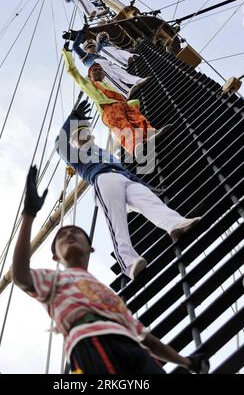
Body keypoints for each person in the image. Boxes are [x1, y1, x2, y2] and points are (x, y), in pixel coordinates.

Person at [12, 165, 209, 374]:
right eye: (61, 236)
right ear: (55, 257)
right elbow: (21, 276)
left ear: (91, 248)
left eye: (76, 232)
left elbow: (145, 338)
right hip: (89, 344)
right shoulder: (52, 279)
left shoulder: (106, 293)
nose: (69, 235)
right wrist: (29, 214)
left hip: (133, 350)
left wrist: (186, 363)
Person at [55, 100, 202, 279]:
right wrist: (73, 118)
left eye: (86, 133)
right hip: (102, 180)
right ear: (76, 142)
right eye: (79, 136)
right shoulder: (77, 157)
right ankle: (129, 263)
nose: (84, 137)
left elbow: (124, 171)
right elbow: (59, 144)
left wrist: (146, 186)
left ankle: (175, 225)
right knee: (117, 223)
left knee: (149, 200)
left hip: (124, 178)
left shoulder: (106, 153)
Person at [62, 44, 171, 156]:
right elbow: (72, 71)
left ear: (104, 74)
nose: (98, 71)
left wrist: (131, 104)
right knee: (123, 126)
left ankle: (151, 133)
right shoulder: (87, 84)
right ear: (89, 76)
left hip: (123, 105)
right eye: (94, 70)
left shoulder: (109, 85)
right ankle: (134, 146)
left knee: (139, 119)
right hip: (108, 109)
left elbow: (119, 97)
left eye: (100, 69)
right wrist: (67, 53)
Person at [73, 27, 147, 99]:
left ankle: (137, 80)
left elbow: (105, 46)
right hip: (97, 65)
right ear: (85, 50)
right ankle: (126, 92)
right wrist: (81, 33)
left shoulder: (99, 54)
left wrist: (101, 40)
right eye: (89, 47)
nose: (92, 48)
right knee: (112, 78)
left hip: (108, 62)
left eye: (93, 46)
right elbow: (75, 47)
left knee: (122, 73)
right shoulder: (85, 56)